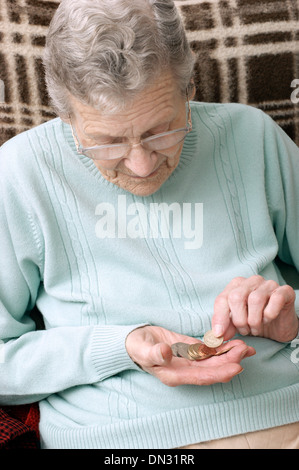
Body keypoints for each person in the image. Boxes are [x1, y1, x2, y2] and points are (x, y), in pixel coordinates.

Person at [0, 0, 298, 450]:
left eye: (162, 131)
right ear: (66, 114)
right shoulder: (21, 173)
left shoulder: (254, 137)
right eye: (106, 142)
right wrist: (119, 346)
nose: (140, 166)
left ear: (188, 89)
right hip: (120, 442)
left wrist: (291, 319)